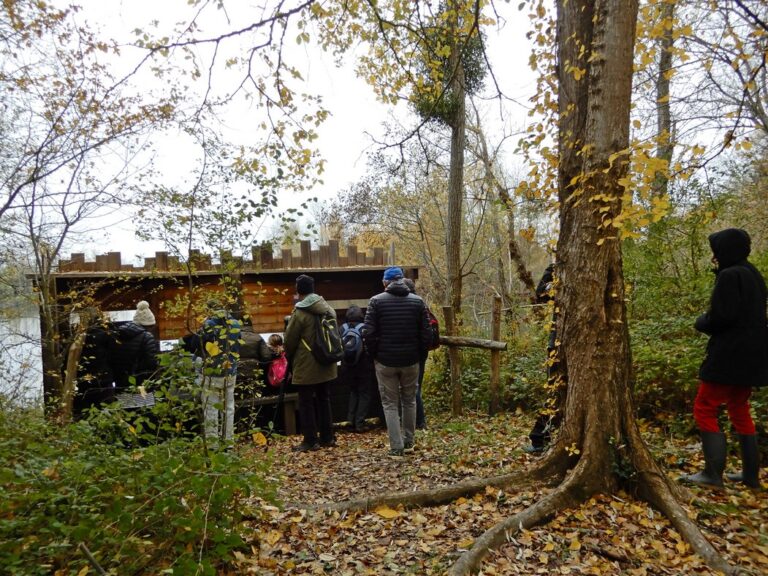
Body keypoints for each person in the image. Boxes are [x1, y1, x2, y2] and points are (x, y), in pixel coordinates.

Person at [680, 228, 768, 489]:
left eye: (717, 250)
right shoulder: (753, 275)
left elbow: (721, 317)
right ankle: (750, 476)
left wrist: (701, 322)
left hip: (730, 355)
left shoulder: (730, 276)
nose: (714, 256)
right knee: (739, 408)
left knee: (704, 406)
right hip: (754, 356)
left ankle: (712, 474)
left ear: (726, 250)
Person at [363, 266, 431, 457]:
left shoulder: (376, 302)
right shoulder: (418, 302)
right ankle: (409, 442)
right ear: (401, 280)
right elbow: (426, 333)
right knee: (410, 400)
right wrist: (420, 355)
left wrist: (374, 355)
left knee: (390, 404)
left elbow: (368, 333)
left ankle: (396, 446)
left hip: (385, 361)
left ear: (385, 282)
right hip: (411, 360)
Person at [283, 274, 337, 452]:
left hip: (307, 364)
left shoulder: (299, 313)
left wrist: (289, 358)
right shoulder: (328, 308)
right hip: (326, 362)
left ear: (298, 290)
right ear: (313, 289)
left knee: (306, 402)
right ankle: (328, 437)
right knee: (324, 399)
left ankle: (310, 440)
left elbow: (289, 341)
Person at [524, 263, 566, 454]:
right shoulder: (556, 270)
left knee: (559, 392)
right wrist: (552, 274)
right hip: (557, 342)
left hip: (577, 343)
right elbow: (541, 293)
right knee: (555, 390)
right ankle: (540, 438)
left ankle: (542, 437)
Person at [197, 299, 242, 445]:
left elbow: (199, 347)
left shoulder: (208, 325)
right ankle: (228, 440)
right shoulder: (235, 323)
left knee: (210, 407)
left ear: (209, 311)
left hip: (212, 371)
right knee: (229, 407)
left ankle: (212, 443)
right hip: (230, 370)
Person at [341, 305, 376, 433]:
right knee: (364, 393)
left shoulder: (342, 328)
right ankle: (359, 423)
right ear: (361, 315)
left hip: (347, 367)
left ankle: (350, 421)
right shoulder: (364, 329)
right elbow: (371, 346)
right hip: (364, 366)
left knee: (353, 392)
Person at [403, 278, 428, 430]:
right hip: (421, 353)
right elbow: (426, 333)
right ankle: (419, 420)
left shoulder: (409, 304)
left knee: (412, 389)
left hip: (411, 353)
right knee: (417, 387)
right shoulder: (420, 303)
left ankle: (419, 421)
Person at [108, 319, 159, 389]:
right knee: (142, 400)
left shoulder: (117, 335)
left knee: (123, 399)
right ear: (148, 325)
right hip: (141, 383)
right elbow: (151, 362)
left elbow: (111, 358)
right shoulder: (146, 337)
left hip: (120, 383)